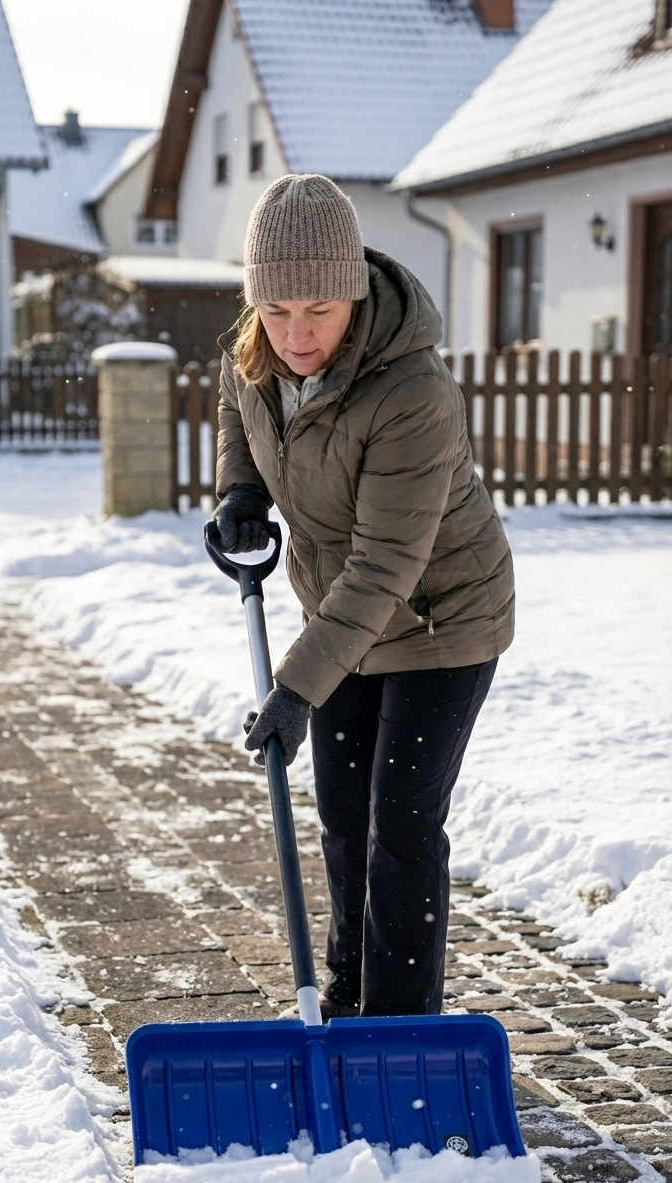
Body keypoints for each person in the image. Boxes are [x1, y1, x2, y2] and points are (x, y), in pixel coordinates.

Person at [214, 174, 514, 1020]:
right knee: (344, 816)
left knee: (400, 823)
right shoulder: (259, 348)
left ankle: (400, 1028)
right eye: (275, 310)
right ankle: (346, 1001)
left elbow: (385, 565)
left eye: (317, 310)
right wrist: (241, 494)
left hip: (445, 617)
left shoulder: (411, 391)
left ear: (352, 293)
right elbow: (237, 402)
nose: (296, 334)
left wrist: (295, 688)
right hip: (344, 619)